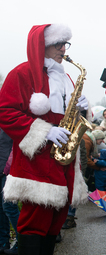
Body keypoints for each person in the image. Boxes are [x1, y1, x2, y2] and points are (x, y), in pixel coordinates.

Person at [0, 24, 89, 254]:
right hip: (37, 159)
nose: (63, 49)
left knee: (55, 221)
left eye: (64, 44)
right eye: (58, 45)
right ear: (43, 46)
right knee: (35, 221)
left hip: (63, 160)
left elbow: (70, 116)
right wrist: (44, 131)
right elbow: (5, 111)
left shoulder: (67, 76)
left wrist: (82, 110)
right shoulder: (21, 73)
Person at [0, 129, 20, 255]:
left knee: (9, 206)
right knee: (1, 208)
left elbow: (15, 145)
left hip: (8, 170)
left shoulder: (8, 118)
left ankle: (23, 242)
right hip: (2, 168)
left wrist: (7, 168)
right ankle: (3, 242)